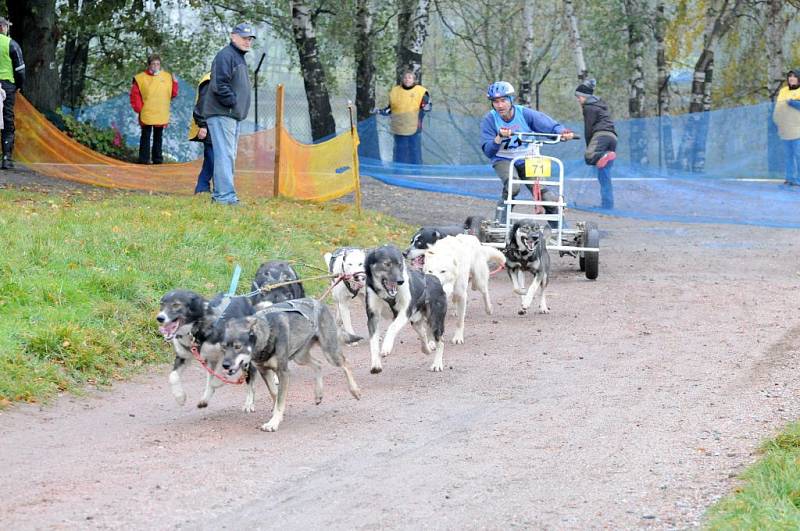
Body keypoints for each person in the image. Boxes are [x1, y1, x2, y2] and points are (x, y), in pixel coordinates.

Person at [480, 81, 573, 224]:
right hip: (503, 158)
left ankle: (561, 230)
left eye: (503, 100)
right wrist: (498, 138)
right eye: (495, 102)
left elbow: (548, 125)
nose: (500, 105)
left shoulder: (525, 113)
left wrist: (562, 132)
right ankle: (500, 223)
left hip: (529, 157)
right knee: (513, 186)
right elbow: (488, 150)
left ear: (511, 100)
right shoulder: (490, 119)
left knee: (546, 197)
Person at [201, 23, 255, 205]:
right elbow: (219, 85)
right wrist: (233, 102)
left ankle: (222, 195)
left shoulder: (237, 57)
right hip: (223, 113)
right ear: (233, 36)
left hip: (231, 114)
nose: (248, 42)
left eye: (250, 39)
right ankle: (225, 197)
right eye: (244, 38)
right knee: (225, 154)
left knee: (228, 154)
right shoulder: (226, 55)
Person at [575, 79, 617, 209]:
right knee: (604, 175)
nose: (578, 100)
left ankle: (605, 154)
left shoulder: (588, 107)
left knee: (589, 157)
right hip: (612, 137)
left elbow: (589, 128)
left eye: (579, 97)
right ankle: (607, 204)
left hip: (601, 135)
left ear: (584, 96)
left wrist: (589, 146)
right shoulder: (600, 104)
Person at [129, 54, 178, 164]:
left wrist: (175, 83)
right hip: (147, 112)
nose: (156, 66)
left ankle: (157, 159)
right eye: (153, 64)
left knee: (158, 136)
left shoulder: (166, 77)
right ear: (149, 65)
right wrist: (139, 109)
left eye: (158, 64)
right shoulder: (141, 78)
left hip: (160, 112)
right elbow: (135, 94)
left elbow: (172, 94)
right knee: (145, 136)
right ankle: (143, 159)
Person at [379, 70, 431, 165]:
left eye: (410, 77)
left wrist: (427, 107)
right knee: (399, 150)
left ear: (414, 80)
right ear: (402, 79)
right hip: (399, 126)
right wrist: (380, 111)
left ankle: (416, 172)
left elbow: (427, 106)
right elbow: (390, 109)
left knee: (414, 150)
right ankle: (398, 172)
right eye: (405, 77)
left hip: (414, 126)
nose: (407, 79)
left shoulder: (421, 91)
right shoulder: (395, 91)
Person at [0, 17, 25, 170]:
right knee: (7, 121)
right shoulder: (11, 44)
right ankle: (6, 158)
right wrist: (19, 86)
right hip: (6, 85)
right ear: (2, 27)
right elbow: (20, 70)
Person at [772, 68, 800, 186]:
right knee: (788, 155)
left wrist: (793, 102)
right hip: (786, 129)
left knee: (798, 154)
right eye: (790, 76)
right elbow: (778, 108)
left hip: (798, 128)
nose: (791, 78)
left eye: (794, 76)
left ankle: (798, 179)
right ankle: (789, 178)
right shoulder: (783, 91)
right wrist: (776, 121)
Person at [188, 73, 213, 194]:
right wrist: (203, 125)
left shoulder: (217, 77)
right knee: (212, 159)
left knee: (210, 160)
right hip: (209, 126)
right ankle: (203, 187)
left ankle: (203, 188)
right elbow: (202, 104)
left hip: (213, 125)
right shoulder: (209, 80)